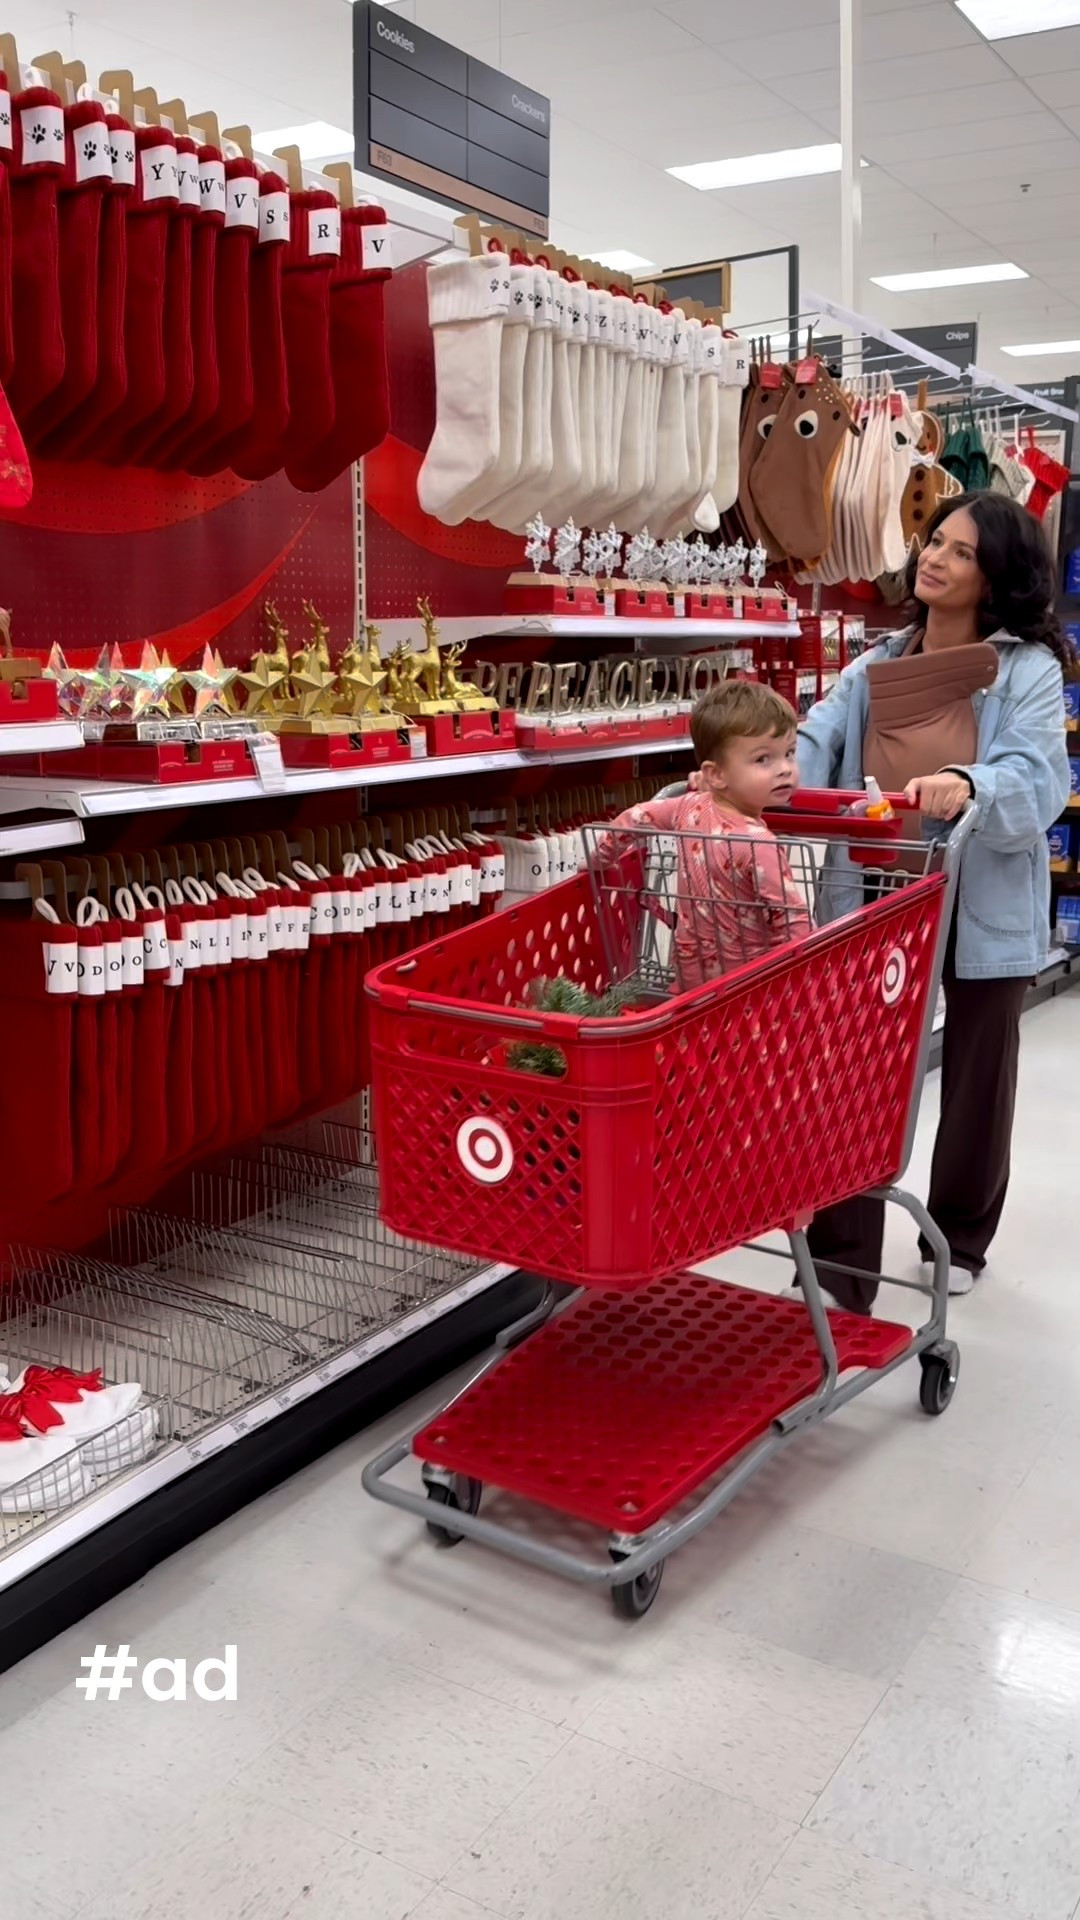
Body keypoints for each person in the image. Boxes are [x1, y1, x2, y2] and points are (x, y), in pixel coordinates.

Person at [798, 490, 1071, 1312]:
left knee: (980, 1075)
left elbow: (1039, 779)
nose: (934, 557)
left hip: (979, 892)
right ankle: (843, 1255)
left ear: (993, 577)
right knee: (853, 1071)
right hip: (882, 889)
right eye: (933, 540)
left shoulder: (1025, 668)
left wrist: (968, 782)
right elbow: (821, 734)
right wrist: (770, 780)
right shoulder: (877, 660)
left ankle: (958, 1235)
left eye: (957, 549)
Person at [606, 679, 812, 988]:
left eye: (789, 753)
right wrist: (803, 983)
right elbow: (793, 922)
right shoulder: (759, 844)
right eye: (762, 759)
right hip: (752, 991)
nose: (784, 769)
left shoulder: (686, 808)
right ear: (715, 774)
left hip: (693, 984)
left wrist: (599, 859)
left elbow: (635, 817)